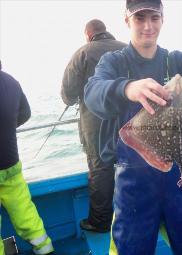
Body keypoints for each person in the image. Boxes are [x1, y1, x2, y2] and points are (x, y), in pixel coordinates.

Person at [84, 0, 182, 254]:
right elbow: (92, 92)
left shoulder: (175, 61)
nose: (148, 26)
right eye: (139, 18)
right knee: (131, 248)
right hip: (134, 182)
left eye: (154, 18)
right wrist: (127, 88)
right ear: (126, 20)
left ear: (163, 19)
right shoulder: (114, 62)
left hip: (180, 178)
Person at [61, 19, 127, 233]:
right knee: (135, 163)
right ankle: (142, 214)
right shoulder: (126, 48)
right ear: (106, 32)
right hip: (130, 119)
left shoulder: (82, 53)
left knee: (100, 168)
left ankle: (100, 222)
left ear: (88, 35)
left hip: (96, 123)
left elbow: (68, 94)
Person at [0, 61, 55, 255]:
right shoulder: (11, 82)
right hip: (11, 165)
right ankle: (45, 249)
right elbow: (25, 114)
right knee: (25, 213)